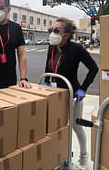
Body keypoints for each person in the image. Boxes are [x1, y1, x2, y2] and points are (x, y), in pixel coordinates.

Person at [44, 17, 98, 168]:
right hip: (55, 94)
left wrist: (83, 88)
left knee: (75, 125)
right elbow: (48, 68)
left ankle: (83, 155)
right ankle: (61, 155)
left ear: (67, 34)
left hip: (73, 94)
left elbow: (93, 68)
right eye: (51, 30)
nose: (52, 34)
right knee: (57, 126)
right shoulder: (52, 47)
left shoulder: (76, 49)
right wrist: (47, 82)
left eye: (56, 31)